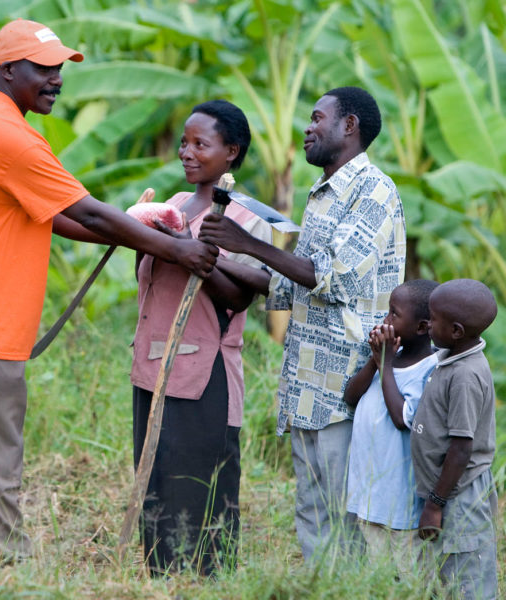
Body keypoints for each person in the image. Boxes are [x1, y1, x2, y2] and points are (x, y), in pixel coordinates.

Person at [0, 18, 217, 561]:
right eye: (43, 69)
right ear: (7, 69)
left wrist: (140, 233)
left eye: (59, 69)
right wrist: (177, 249)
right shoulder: (9, 134)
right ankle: (10, 563)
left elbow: (51, 213)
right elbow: (85, 212)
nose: (55, 79)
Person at [199, 86, 407, 560]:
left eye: (317, 119)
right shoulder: (323, 194)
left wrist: (247, 242)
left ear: (349, 126)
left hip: (347, 382)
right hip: (307, 382)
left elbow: (330, 278)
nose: (306, 128)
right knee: (313, 510)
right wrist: (200, 254)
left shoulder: (374, 190)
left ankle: (351, 592)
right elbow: (285, 282)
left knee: (343, 515)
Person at [131, 99, 272, 575]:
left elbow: (240, 297)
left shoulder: (247, 218)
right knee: (156, 476)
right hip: (151, 360)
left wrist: (202, 255)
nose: (187, 153)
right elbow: (147, 278)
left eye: (200, 144)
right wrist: (153, 235)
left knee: (201, 478)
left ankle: (206, 579)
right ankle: (160, 576)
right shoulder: (168, 206)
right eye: (184, 143)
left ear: (231, 151)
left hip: (204, 368)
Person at [344, 279, 438, 578]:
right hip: (371, 496)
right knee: (378, 575)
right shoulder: (388, 358)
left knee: (409, 576)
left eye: (393, 314)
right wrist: (376, 362)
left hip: (401, 506)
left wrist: (384, 364)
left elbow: (402, 419)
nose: (385, 321)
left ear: (422, 327)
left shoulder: (430, 370)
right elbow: (351, 397)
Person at [411, 279, 498, 599]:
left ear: (457, 330)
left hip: (458, 494)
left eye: (433, 319)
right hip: (446, 490)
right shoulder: (450, 356)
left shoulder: (466, 375)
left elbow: (462, 449)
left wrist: (435, 505)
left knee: (467, 575)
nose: (428, 324)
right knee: (442, 574)